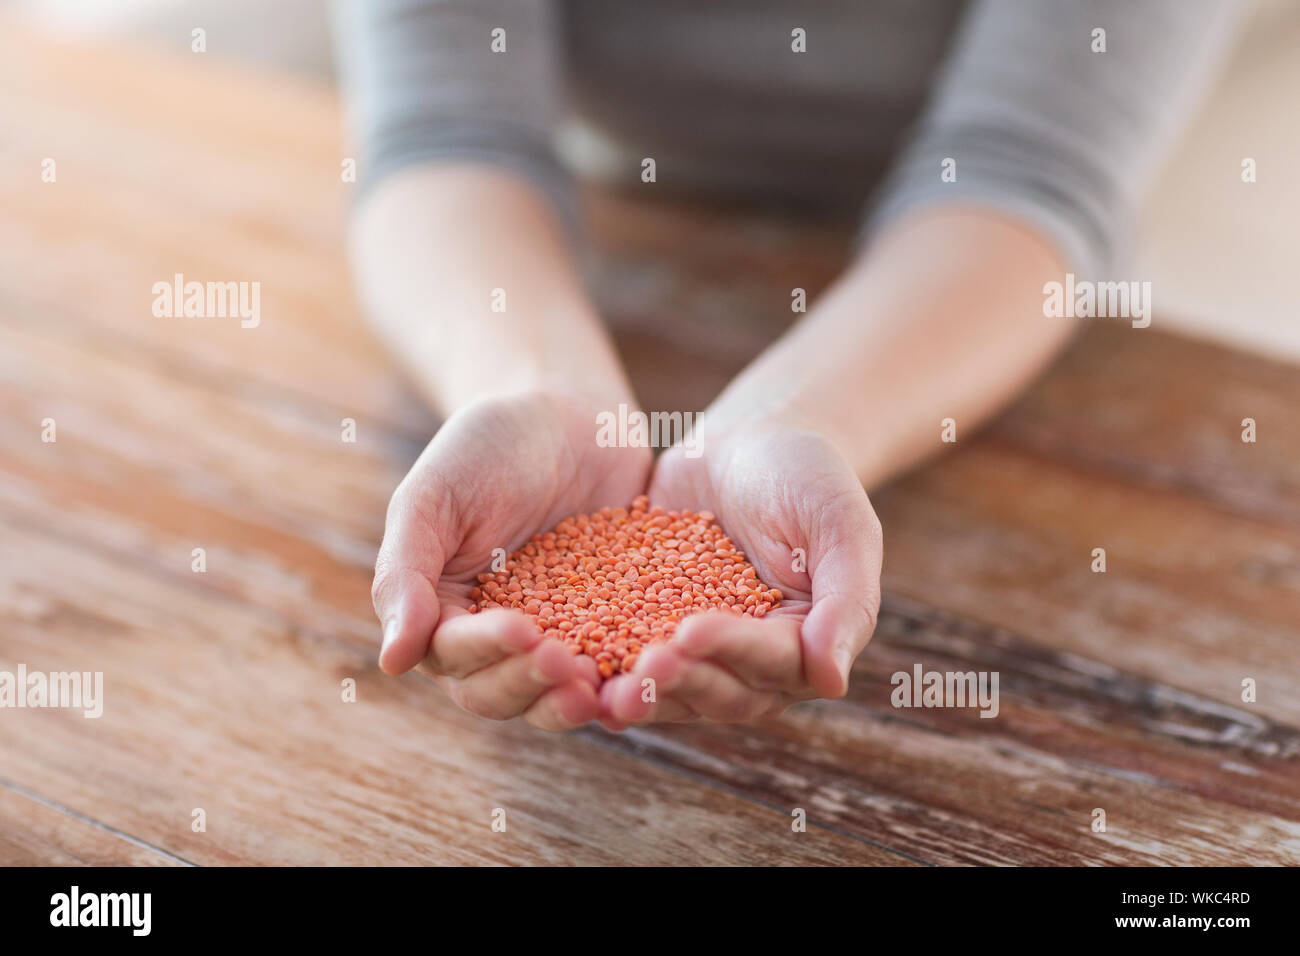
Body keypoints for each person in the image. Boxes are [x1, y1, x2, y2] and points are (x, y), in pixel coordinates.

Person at [330, 1, 1241, 731]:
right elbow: (445, 135)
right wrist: (530, 384)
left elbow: (1030, 173)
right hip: (617, 231)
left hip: (977, 290)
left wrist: (802, 419)